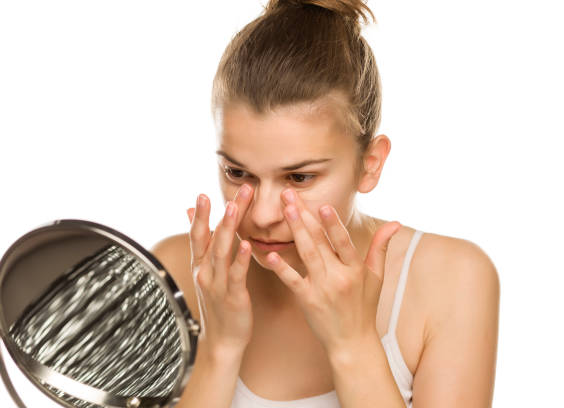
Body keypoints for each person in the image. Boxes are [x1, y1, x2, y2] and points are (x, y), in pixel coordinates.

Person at [151, 0, 500, 407]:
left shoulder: (452, 280)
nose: (262, 216)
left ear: (370, 165)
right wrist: (219, 349)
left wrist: (352, 343)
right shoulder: (175, 272)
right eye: (237, 173)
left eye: (299, 178)